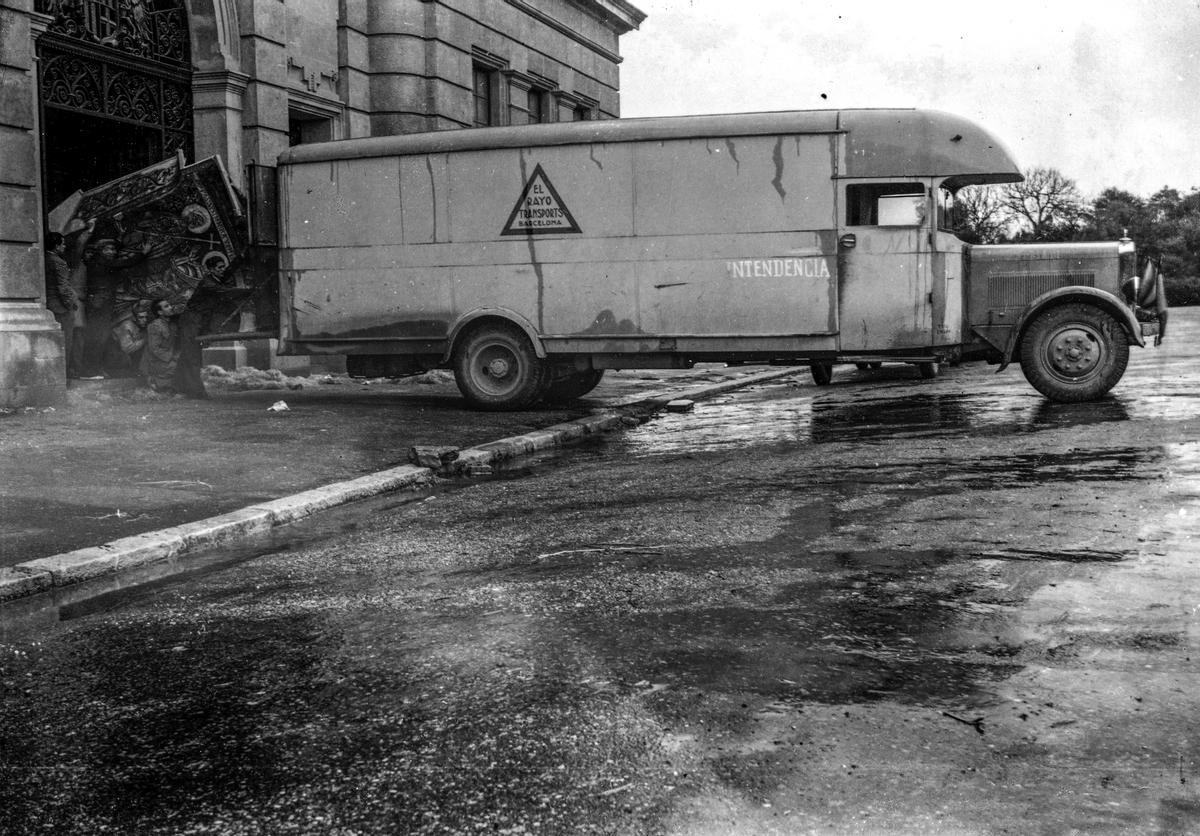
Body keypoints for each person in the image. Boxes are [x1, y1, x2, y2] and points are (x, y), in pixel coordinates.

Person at [79, 236, 150, 378]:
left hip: (100, 302)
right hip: (100, 303)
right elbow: (125, 263)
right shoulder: (101, 261)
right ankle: (89, 371)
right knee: (98, 336)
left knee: (99, 336)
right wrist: (143, 252)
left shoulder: (98, 261)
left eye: (113, 249)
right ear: (100, 250)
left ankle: (93, 369)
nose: (111, 252)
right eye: (107, 249)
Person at [43, 231, 80, 376]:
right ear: (57, 246)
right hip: (61, 309)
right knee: (66, 343)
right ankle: (63, 377)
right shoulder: (58, 262)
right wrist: (71, 304)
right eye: (62, 244)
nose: (64, 246)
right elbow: (63, 288)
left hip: (49, 307)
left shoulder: (43, 258)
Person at [143, 299, 180, 395]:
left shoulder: (172, 324)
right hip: (157, 361)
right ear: (160, 312)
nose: (171, 307)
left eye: (170, 305)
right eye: (166, 306)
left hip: (169, 358)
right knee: (178, 367)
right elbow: (154, 349)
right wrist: (172, 358)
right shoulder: (155, 326)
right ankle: (157, 383)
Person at [111, 300, 152, 378]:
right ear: (134, 317)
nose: (145, 320)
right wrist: (145, 339)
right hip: (117, 358)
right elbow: (127, 348)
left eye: (146, 317)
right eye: (141, 317)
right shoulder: (127, 325)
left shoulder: (140, 326)